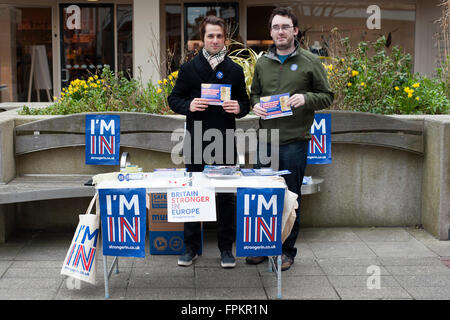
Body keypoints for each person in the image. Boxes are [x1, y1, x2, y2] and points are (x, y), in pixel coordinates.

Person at [247, 7, 333, 271]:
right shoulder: (262, 62)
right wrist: (256, 106)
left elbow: (327, 96)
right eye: (275, 27)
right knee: (262, 196)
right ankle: (262, 247)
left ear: (295, 31)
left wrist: (306, 99)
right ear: (271, 32)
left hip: (295, 141)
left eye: (285, 27)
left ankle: (287, 251)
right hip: (265, 141)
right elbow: (254, 95)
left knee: (289, 198)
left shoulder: (310, 61)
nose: (280, 32)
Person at [168, 15, 250, 268]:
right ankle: (190, 248)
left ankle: (226, 249)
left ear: (225, 39)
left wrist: (239, 107)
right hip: (196, 140)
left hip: (224, 141)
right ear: (202, 39)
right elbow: (173, 99)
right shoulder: (189, 69)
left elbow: (245, 103)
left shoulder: (235, 71)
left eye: (219, 36)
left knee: (225, 197)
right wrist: (189, 104)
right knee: (194, 192)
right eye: (210, 36)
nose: (215, 40)